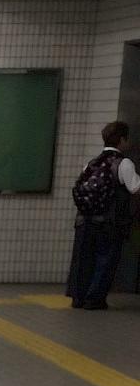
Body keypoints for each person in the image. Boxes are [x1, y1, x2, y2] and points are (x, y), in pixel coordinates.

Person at [66, 120, 140, 310]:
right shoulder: (123, 163)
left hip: (84, 220)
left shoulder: (91, 164)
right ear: (122, 140)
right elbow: (135, 188)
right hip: (109, 222)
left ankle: (78, 298)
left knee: (84, 259)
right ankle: (94, 299)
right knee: (105, 260)